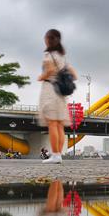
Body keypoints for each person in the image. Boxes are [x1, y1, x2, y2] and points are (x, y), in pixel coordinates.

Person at [37, 29, 77, 164]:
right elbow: (74, 75)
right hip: (60, 94)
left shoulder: (49, 55)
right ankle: (58, 154)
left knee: (52, 123)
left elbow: (50, 70)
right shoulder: (63, 57)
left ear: (49, 40)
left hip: (50, 90)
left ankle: (55, 155)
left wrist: (41, 77)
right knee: (59, 125)